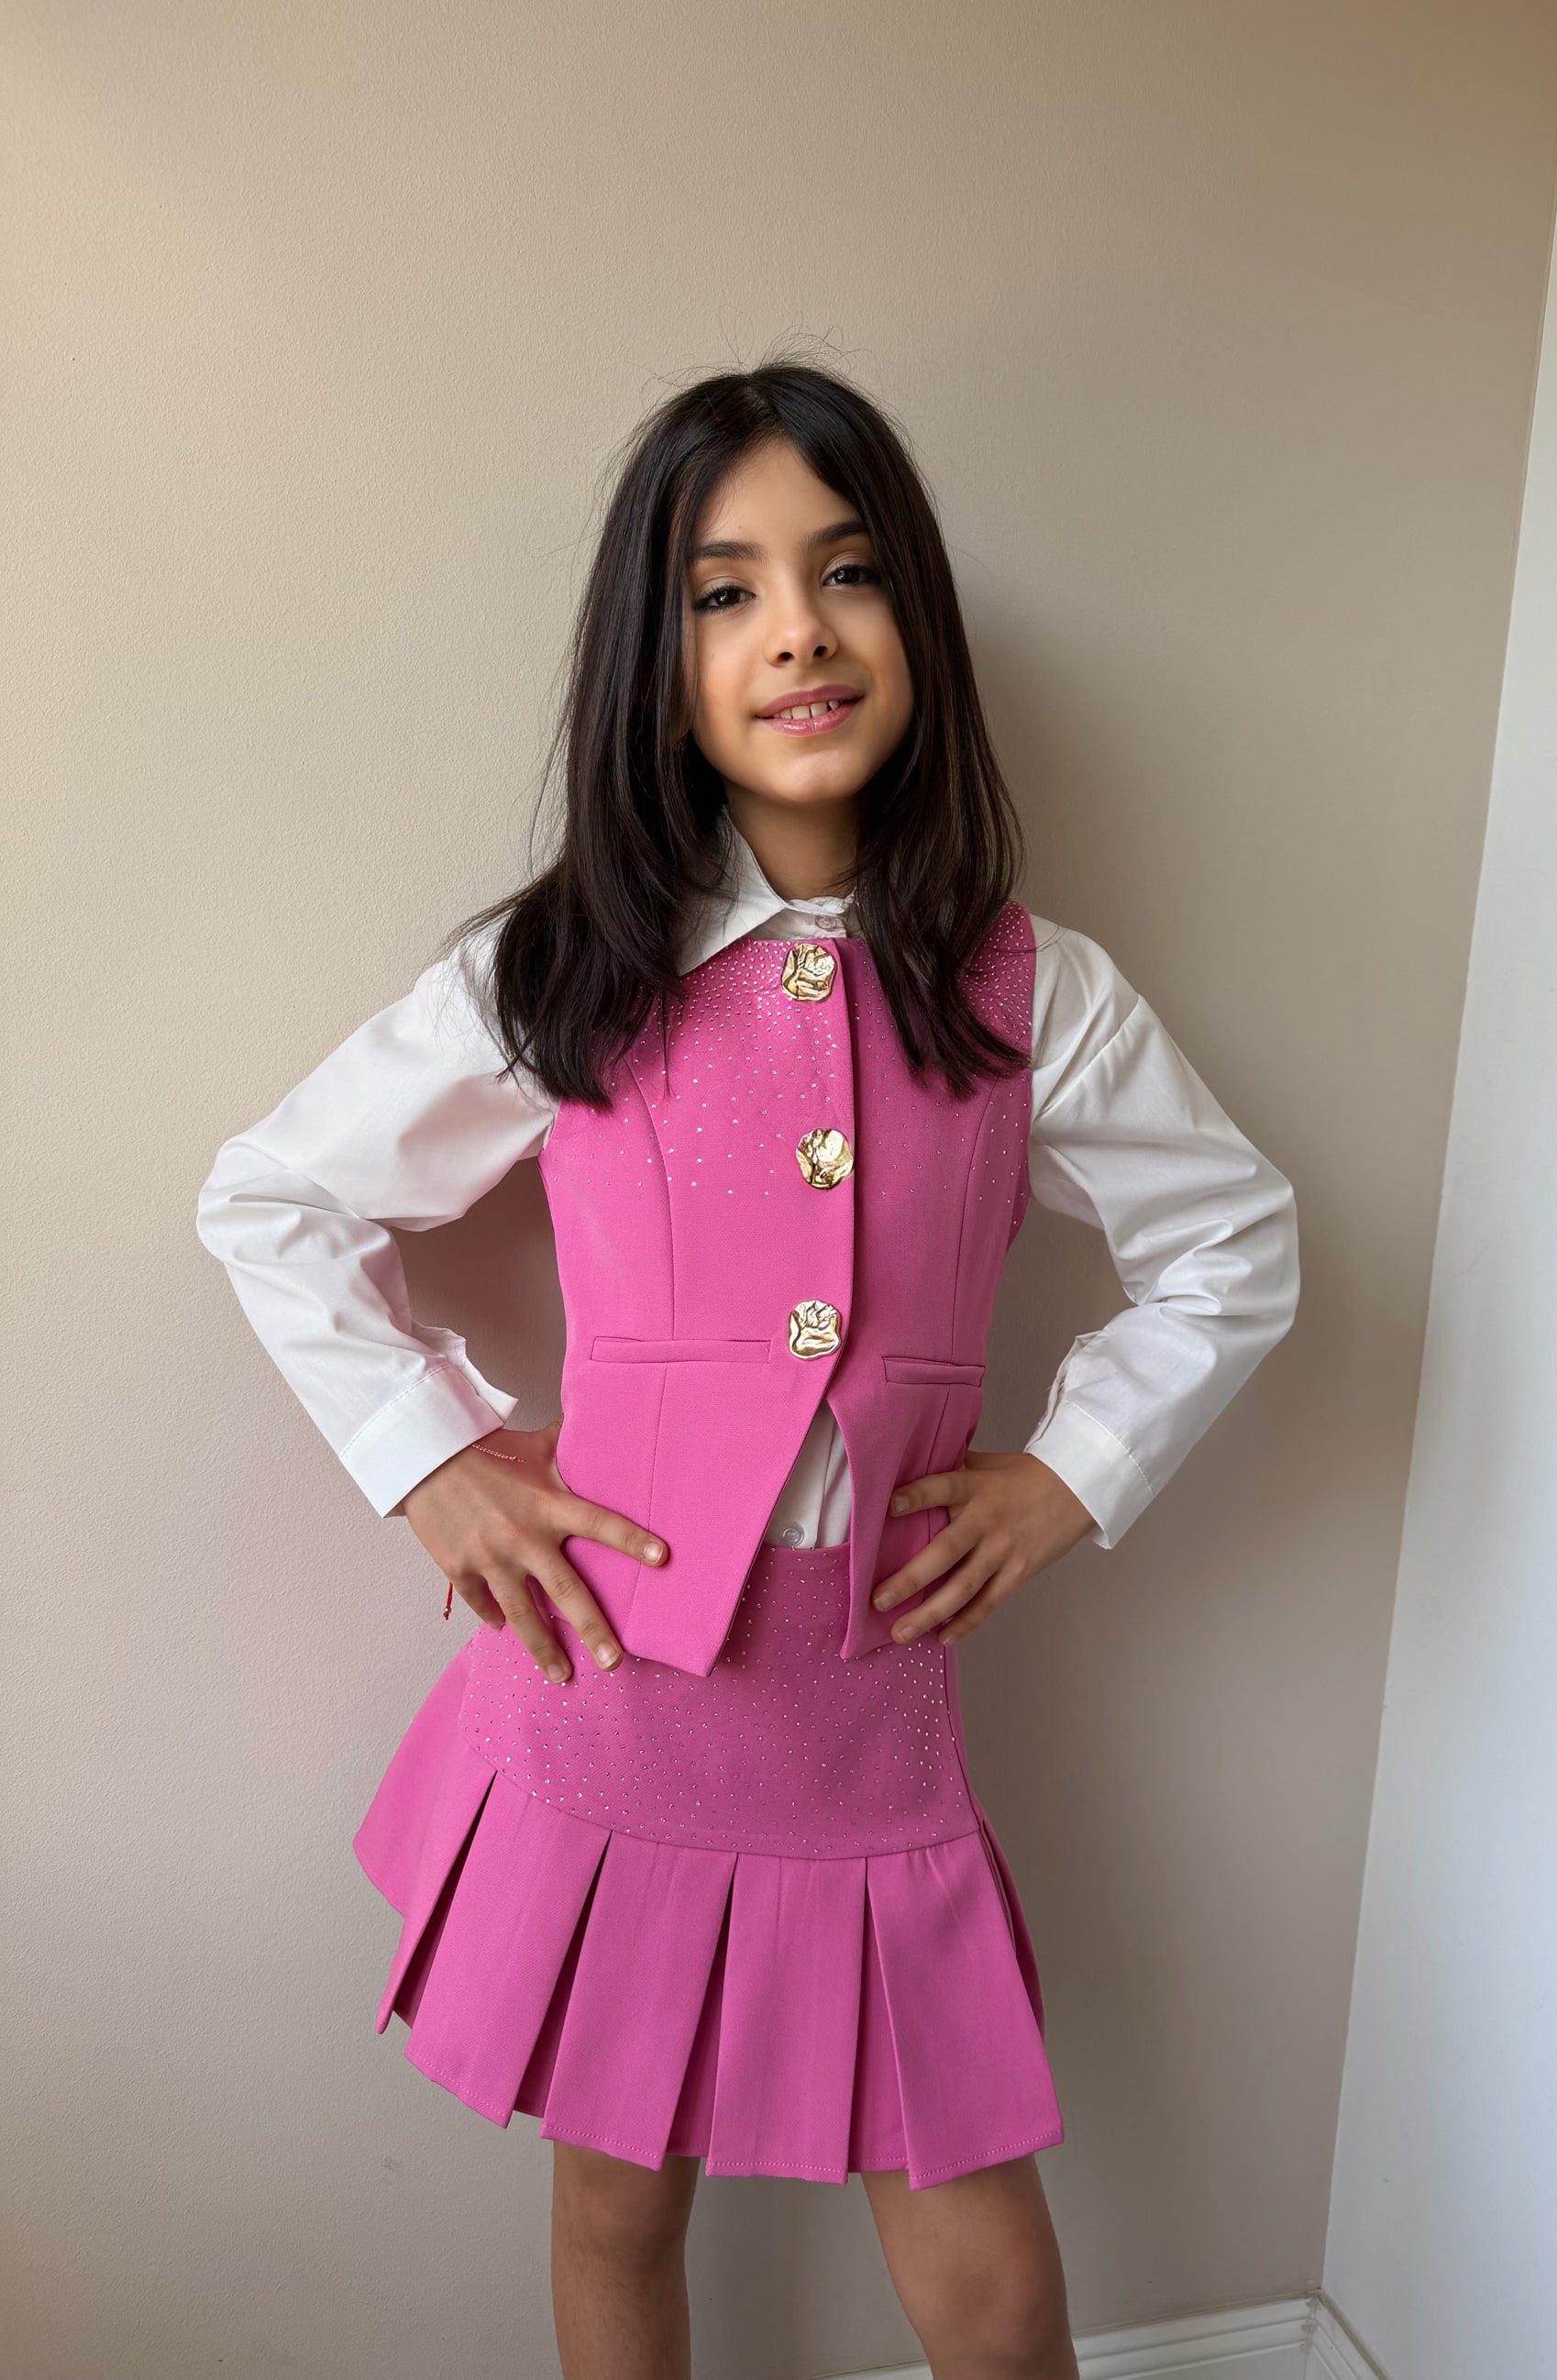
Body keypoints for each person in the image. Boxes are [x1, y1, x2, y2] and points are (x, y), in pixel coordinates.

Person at [195, 361, 1298, 2380]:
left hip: (870, 1716)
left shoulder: (1028, 990)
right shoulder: (561, 972)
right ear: (661, 660)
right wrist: (434, 1459)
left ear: (914, 622)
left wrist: (1074, 1471)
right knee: (617, 2206)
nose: (797, 628)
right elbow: (272, 1196)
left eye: (846, 571)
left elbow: (1234, 1241)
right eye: (727, 592)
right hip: (610, 1696)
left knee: (993, 2281)